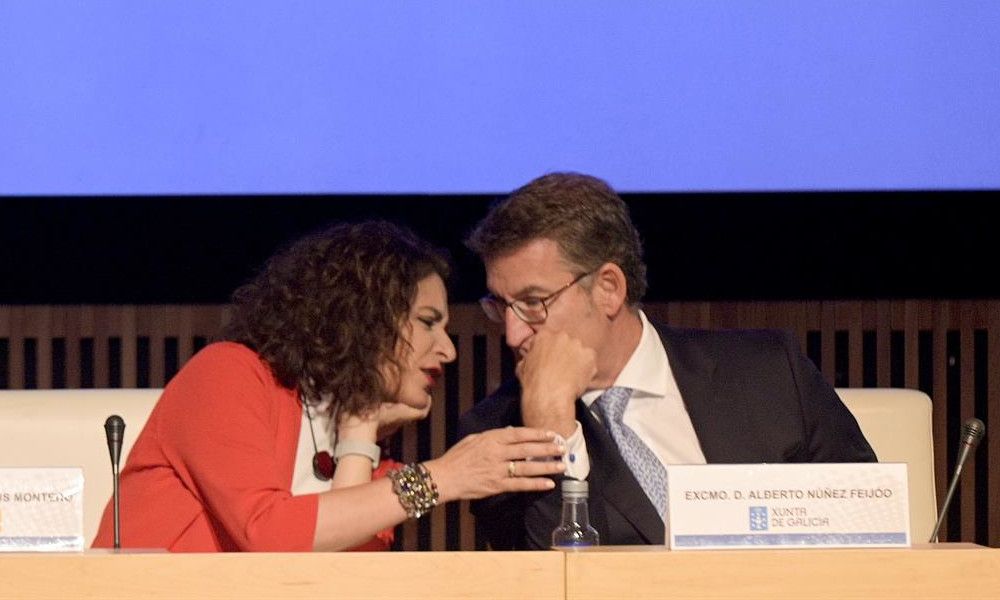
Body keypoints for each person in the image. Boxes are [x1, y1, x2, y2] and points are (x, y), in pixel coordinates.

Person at [457, 172, 876, 549]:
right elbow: (547, 584)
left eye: (533, 303)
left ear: (608, 288)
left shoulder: (768, 372)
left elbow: (872, 517)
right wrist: (550, 423)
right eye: (500, 306)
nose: (513, 333)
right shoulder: (493, 434)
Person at [92, 220, 565, 552]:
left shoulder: (370, 452)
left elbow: (342, 579)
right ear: (363, 319)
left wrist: (359, 441)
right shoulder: (228, 375)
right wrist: (442, 477)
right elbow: (268, 533)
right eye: (427, 323)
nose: (448, 350)